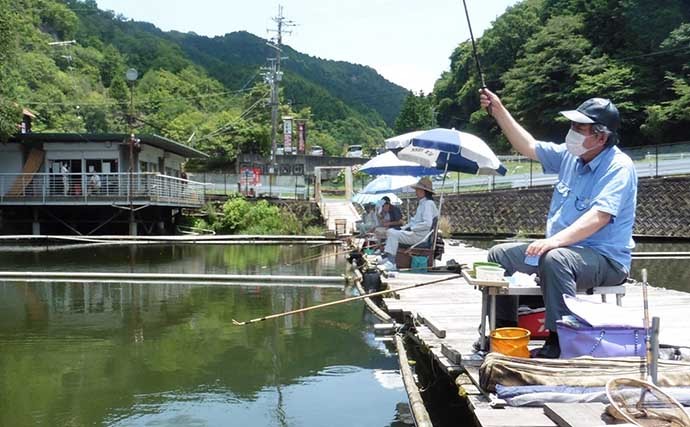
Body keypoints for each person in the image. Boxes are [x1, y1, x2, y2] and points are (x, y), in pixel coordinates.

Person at [479, 89, 637, 358]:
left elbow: (599, 217)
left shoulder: (619, 167)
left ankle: (560, 339)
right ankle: (505, 330)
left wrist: (552, 242)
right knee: (497, 256)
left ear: (601, 136)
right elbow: (527, 146)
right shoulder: (570, 156)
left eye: (580, 127)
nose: (572, 132)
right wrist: (498, 110)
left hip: (605, 260)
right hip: (561, 251)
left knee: (555, 259)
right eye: (572, 125)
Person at [379, 178, 439, 270]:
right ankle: (388, 258)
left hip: (419, 236)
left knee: (392, 233)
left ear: (423, 191)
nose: (416, 192)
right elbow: (413, 222)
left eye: (417, 190)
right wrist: (403, 228)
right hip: (417, 234)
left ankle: (391, 262)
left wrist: (412, 228)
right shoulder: (423, 203)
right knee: (392, 231)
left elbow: (427, 224)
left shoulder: (428, 204)